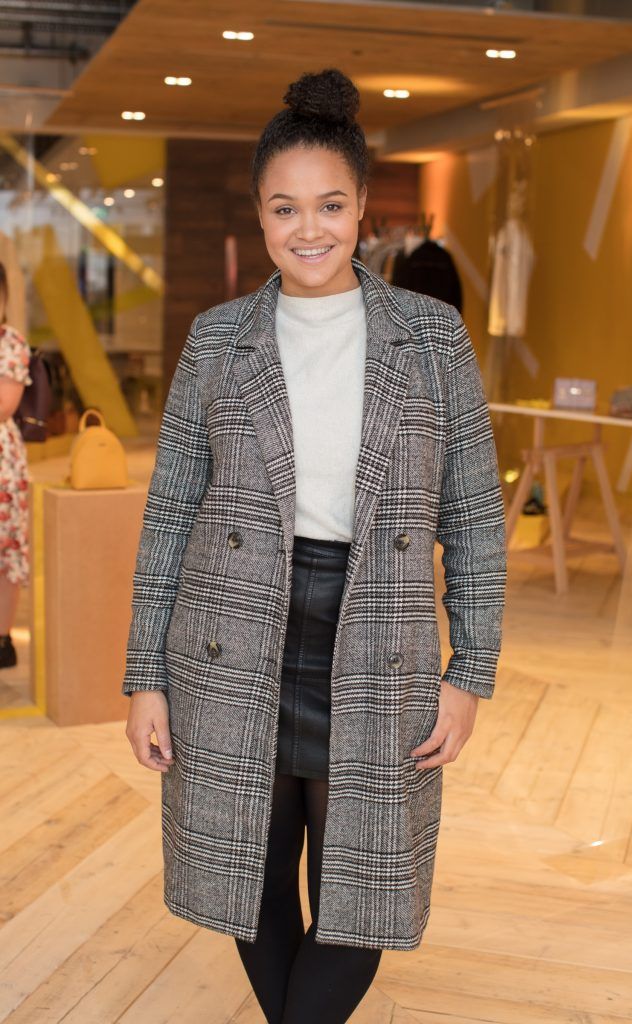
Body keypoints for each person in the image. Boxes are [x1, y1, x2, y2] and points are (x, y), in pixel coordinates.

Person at [123, 69, 506, 1024]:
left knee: (360, 889)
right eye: (285, 208)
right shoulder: (217, 343)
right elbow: (170, 511)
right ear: (259, 214)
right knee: (249, 876)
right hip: (230, 635)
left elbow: (472, 514)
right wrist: (144, 676)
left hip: (377, 637)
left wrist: (473, 670)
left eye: (330, 205)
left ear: (362, 206)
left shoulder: (432, 338)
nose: (309, 230)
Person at [0, 262, 31, 669]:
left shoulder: (9, 341)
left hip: (2, 463)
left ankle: (2, 638)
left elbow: (4, 405)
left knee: (5, 552)